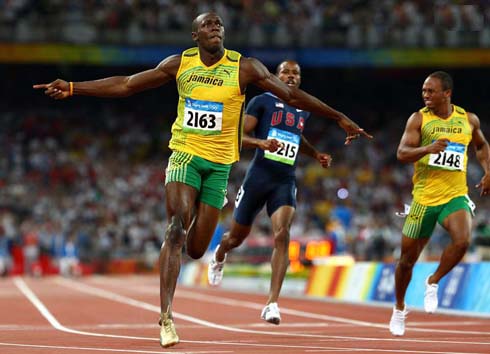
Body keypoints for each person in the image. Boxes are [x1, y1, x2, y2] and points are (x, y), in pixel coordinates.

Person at [33, 12, 371, 348]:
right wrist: (75, 88)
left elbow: (292, 97)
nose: (215, 28)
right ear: (195, 35)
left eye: (218, 24)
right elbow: (127, 84)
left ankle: (190, 248)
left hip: (220, 166)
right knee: (176, 227)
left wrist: (339, 116)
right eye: (207, 25)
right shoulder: (180, 63)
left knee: (195, 248)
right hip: (185, 155)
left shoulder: (245, 67)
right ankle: (166, 317)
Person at [207, 60, 332, 325]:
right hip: (258, 178)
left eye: (295, 73)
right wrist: (260, 142)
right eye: (285, 72)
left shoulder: (303, 107)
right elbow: (237, 136)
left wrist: (315, 153)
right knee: (236, 238)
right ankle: (220, 254)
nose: (290, 76)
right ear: (276, 76)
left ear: (300, 79)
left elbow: (297, 138)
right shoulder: (261, 101)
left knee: (283, 234)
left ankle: (272, 303)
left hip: (284, 181)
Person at [389, 71, 490, 336]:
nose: (425, 95)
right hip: (423, 199)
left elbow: (480, 146)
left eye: (431, 91)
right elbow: (401, 153)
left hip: (455, 195)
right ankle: (399, 308)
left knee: (463, 241)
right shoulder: (419, 119)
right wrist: (427, 149)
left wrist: (488, 170)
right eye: (424, 91)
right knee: (406, 261)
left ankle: (433, 281)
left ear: (447, 93)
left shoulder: (467, 119)